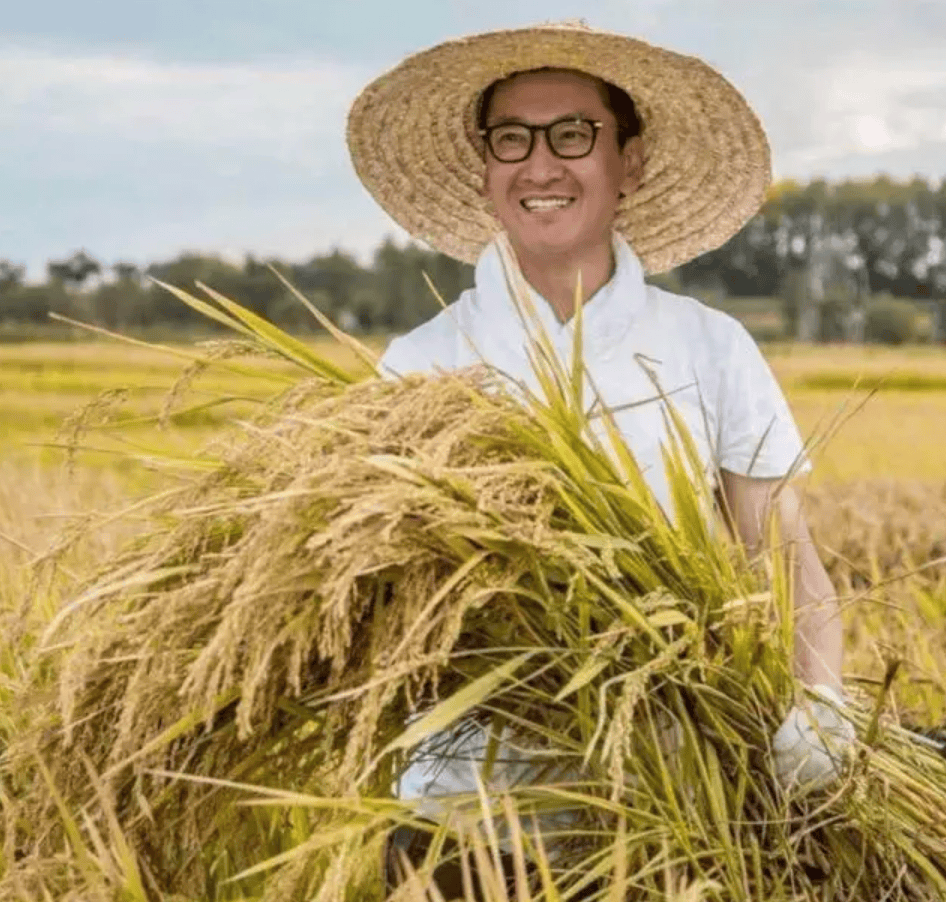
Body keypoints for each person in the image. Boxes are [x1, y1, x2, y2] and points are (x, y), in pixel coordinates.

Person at [346, 20, 855, 895]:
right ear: (484, 167)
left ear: (633, 160)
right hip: (463, 821)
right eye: (512, 138)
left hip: (674, 813)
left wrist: (820, 702)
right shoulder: (418, 364)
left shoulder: (709, 346)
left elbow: (784, 556)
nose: (540, 166)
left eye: (574, 134)